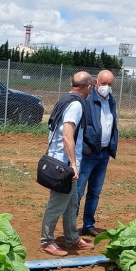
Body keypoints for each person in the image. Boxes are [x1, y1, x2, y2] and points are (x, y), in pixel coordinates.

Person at [40, 71, 95, 256]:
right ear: (88, 87)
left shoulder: (65, 100)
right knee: (57, 204)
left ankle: (72, 238)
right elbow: (67, 135)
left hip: (60, 159)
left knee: (71, 203)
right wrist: (73, 164)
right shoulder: (76, 105)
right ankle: (47, 242)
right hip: (64, 164)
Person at [77, 69, 118, 237]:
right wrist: (84, 147)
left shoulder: (111, 101)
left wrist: (111, 145)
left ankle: (88, 225)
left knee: (94, 192)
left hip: (103, 154)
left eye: (110, 84)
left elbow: (112, 124)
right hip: (88, 154)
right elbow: (78, 127)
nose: (106, 87)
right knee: (78, 191)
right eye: (103, 83)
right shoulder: (86, 101)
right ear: (96, 83)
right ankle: (71, 227)